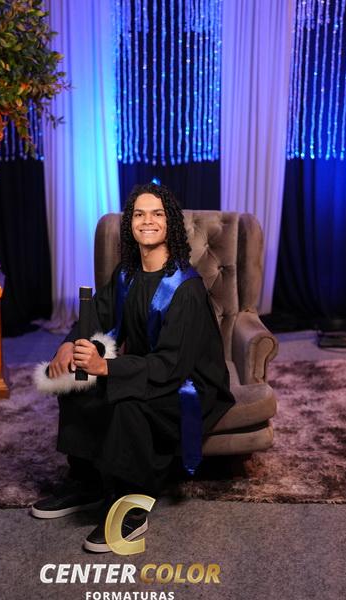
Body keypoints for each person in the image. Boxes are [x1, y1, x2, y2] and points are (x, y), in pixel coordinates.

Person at [31, 182, 235, 552]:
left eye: (157, 214)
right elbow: (100, 315)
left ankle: (132, 504)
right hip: (146, 368)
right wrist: (69, 344)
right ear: (130, 225)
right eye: (139, 214)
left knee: (126, 401)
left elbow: (172, 365)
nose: (147, 221)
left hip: (189, 385)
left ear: (170, 224)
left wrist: (109, 369)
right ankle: (88, 482)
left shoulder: (185, 288)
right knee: (78, 382)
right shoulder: (127, 275)